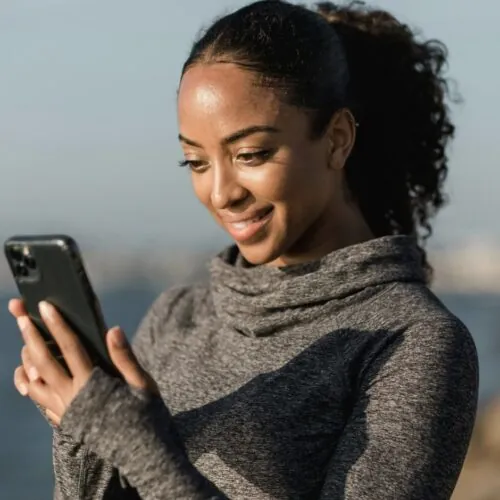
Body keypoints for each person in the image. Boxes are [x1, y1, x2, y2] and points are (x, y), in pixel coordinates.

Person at [10, 1, 478, 499]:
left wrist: (132, 439)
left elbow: (142, 454)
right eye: (195, 161)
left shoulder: (414, 342)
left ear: (337, 140)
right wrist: (84, 427)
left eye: (250, 154)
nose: (221, 193)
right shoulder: (176, 315)